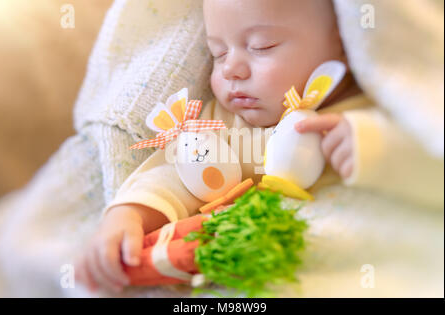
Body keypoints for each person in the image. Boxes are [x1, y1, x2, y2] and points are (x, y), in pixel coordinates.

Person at [73, 0, 443, 294]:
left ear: (345, 42)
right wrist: (129, 215)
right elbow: (179, 172)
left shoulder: (372, 112)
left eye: (261, 46)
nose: (232, 69)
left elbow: (433, 167)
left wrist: (377, 147)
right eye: (218, 53)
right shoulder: (224, 123)